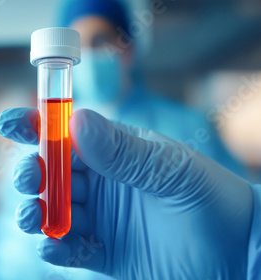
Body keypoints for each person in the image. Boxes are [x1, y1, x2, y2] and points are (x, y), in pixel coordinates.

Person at [0, 107, 261, 279]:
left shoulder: (187, 122)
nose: (93, 54)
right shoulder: (56, 139)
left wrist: (247, 235)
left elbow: (232, 184)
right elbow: (15, 255)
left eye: (101, 41)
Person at [59, 0, 243, 175]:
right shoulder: (56, 134)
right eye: (76, 46)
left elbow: (238, 198)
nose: (88, 55)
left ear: (128, 48)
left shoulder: (189, 127)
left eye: (100, 41)